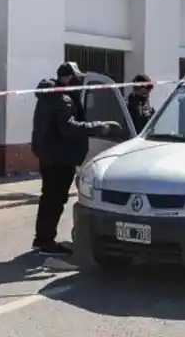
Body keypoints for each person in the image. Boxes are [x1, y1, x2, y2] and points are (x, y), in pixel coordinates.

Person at [30, 62, 121, 257]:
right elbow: (69, 128)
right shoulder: (63, 99)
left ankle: (42, 239)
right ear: (68, 78)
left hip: (48, 155)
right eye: (77, 77)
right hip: (60, 157)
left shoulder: (47, 96)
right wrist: (99, 126)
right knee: (55, 200)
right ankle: (46, 242)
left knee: (48, 198)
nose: (79, 81)